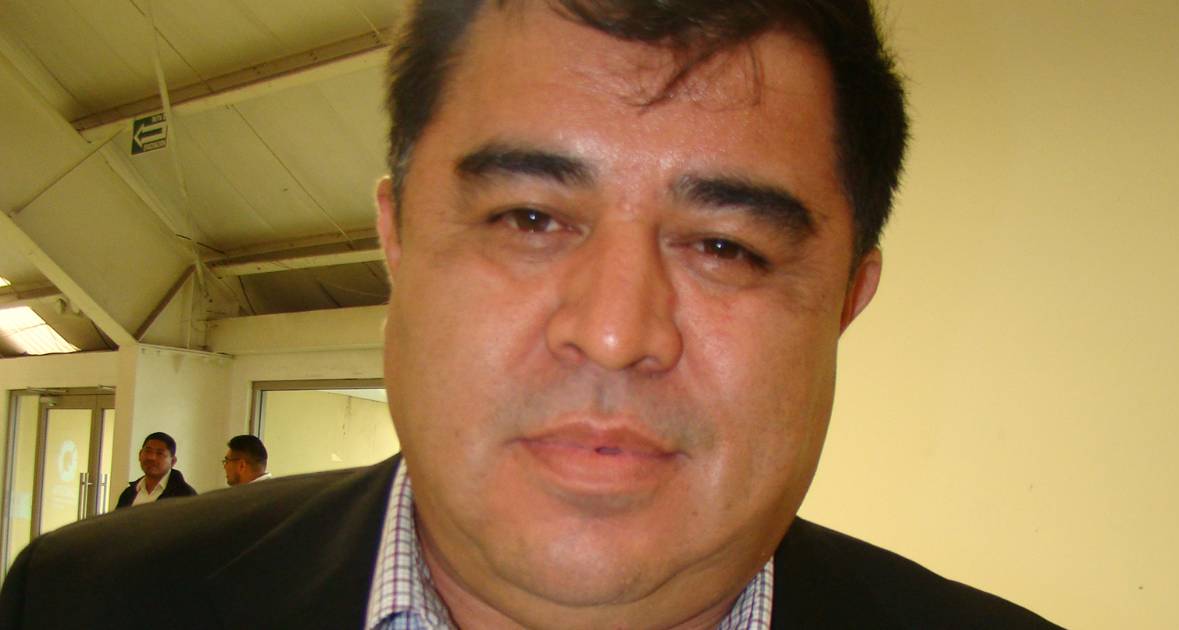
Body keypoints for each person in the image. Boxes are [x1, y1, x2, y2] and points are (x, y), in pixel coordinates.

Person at [0, 1, 1061, 628]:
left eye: (726, 247)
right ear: (397, 238)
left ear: (844, 302)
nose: (615, 331)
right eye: (530, 218)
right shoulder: (88, 605)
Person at [114, 432, 197, 509]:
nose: (151, 457)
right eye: (148, 451)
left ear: (173, 461)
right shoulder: (128, 493)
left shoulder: (184, 496)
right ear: (140, 455)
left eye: (159, 453)